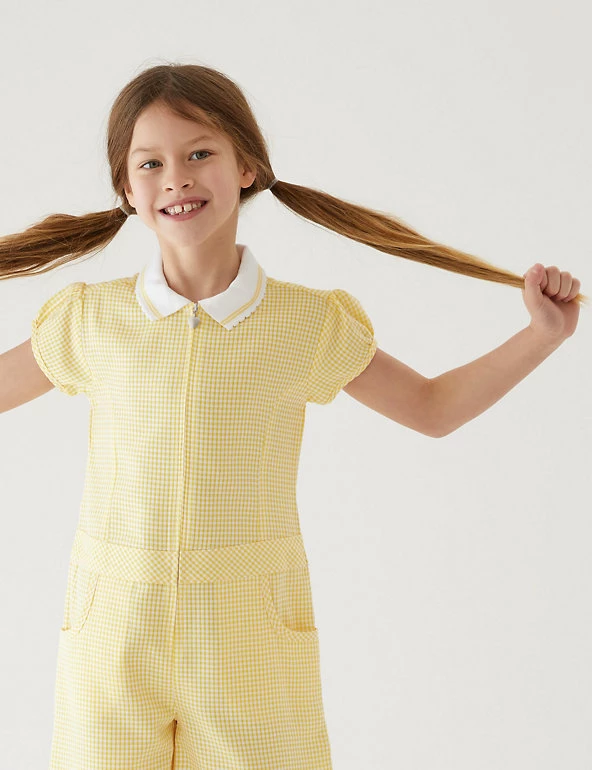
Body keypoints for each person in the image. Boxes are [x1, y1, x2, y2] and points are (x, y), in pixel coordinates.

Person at [0, 62, 584, 770]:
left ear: (247, 166)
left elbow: (432, 409)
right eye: (150, 163)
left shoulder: (306, 324)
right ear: (126, 188)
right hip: (112, 631)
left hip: (250, 635)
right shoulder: (91, 320)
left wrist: (541, 336)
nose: (176, 178)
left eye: (199, 153)